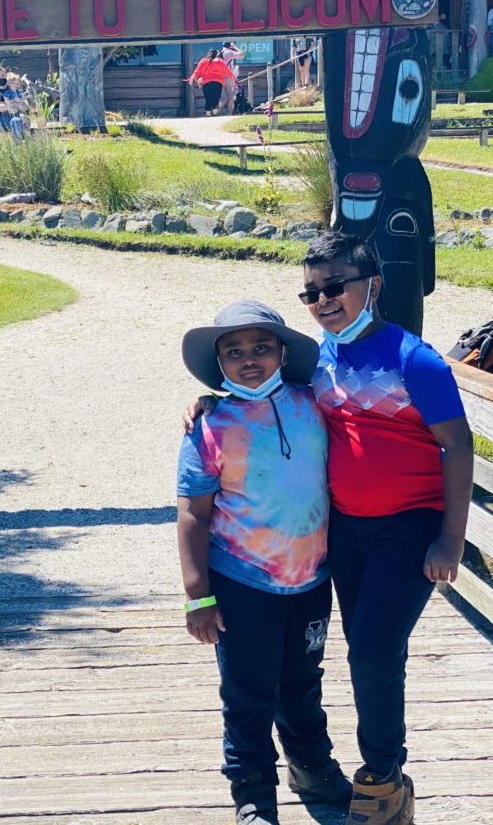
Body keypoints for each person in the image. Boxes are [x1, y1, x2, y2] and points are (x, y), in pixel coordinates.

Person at [300, 232, 472, 825]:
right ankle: (370, 768)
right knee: (361, 646)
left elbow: (458, 445)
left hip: (411, 523)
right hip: (347, 527)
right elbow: (262, 390)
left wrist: (452, 537)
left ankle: (383, 778)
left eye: (335, 286)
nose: (324, 300)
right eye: (311, 293)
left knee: (374, 646)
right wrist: (209, 404)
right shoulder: (316, 357)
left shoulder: (413, 359)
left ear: (371, 285)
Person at [177, 300, 351, 825]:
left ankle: (312, 765)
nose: (248, 360)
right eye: (234, 353)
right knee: (248, 690)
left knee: (302, 680)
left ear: (282, 352)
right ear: (219, 365)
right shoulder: (209, 426)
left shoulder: (315, 402)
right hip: (241, 582)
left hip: (310, 578)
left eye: (260, 348)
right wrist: (198, 595)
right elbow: (191, 516)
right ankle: (252, 787)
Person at [189, 49, 236, 117]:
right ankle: (214, 113)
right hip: (217, 82)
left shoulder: (203, 61)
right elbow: (226, 71)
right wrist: (233, 78)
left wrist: (192, 78)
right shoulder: (219, 61)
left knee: (208, 99)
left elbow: (197, 70)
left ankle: (207, 113)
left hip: (206, 82)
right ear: (216, 55)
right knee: (216, 98)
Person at [220, 41, 245, 114]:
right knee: (231, 97)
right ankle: (229, 114)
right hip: (228, 77)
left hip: (220, 77)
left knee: (223, 99)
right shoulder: (229, 52)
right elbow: (242, 55)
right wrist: (235, 47)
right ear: (230, 46)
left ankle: (214, 112)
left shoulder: (220, 53)